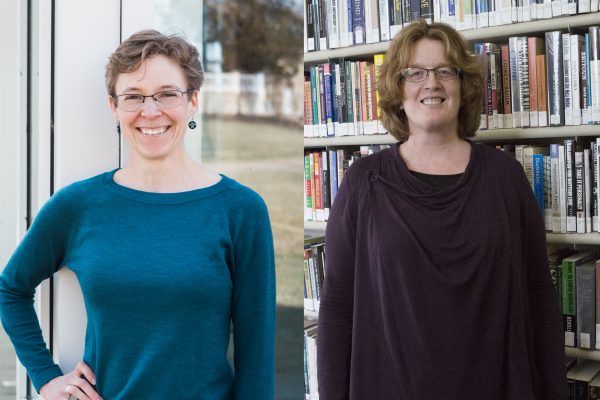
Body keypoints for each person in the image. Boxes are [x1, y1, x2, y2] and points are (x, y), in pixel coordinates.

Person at [0, 30, 275, 400]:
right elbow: (10, 289)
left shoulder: (240, 210)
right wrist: (46, 377)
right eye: (134, 97)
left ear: (193, 101)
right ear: (114, 107)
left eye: (167, 94)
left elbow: (256, 351)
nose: (150, 111)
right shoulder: (78, 206)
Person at [316, 20, 566, 399]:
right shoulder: (363, 182)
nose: (430, 83)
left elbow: (539, 298)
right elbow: (337, 307)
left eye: (444, 71)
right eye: (414, 72)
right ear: (397, 90)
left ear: (463, 86)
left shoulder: (506, 178)